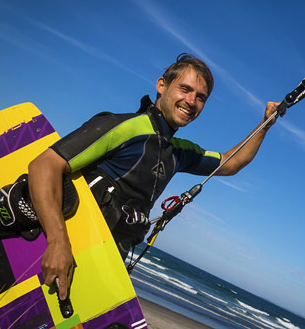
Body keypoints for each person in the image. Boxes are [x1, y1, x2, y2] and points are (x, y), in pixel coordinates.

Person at [27, 53, 283, 301]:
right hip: (63, 252)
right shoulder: (123, 127)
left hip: (102, 266)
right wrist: (57, 241)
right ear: (162, 85)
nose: (191, 101)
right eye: (185, 89)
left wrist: (265, 124)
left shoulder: (178, 152)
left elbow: (230, 163)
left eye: (200, 97)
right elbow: (43, 166)